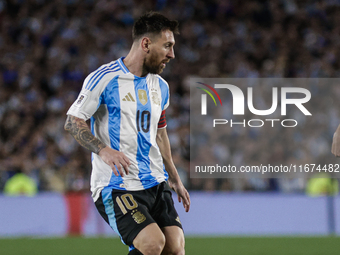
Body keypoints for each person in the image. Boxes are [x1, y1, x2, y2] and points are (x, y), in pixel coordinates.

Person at [64, 12, 190, 255]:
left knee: (175, 248)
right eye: (167, 46)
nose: (172, 55)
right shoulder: (105, 78)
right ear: (145, 44)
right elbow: (73, 121)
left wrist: (174, 176)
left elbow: (160, 133)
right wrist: (104, 150)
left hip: (155, 180)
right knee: (152, 244)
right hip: (117, 184)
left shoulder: (161, 86)